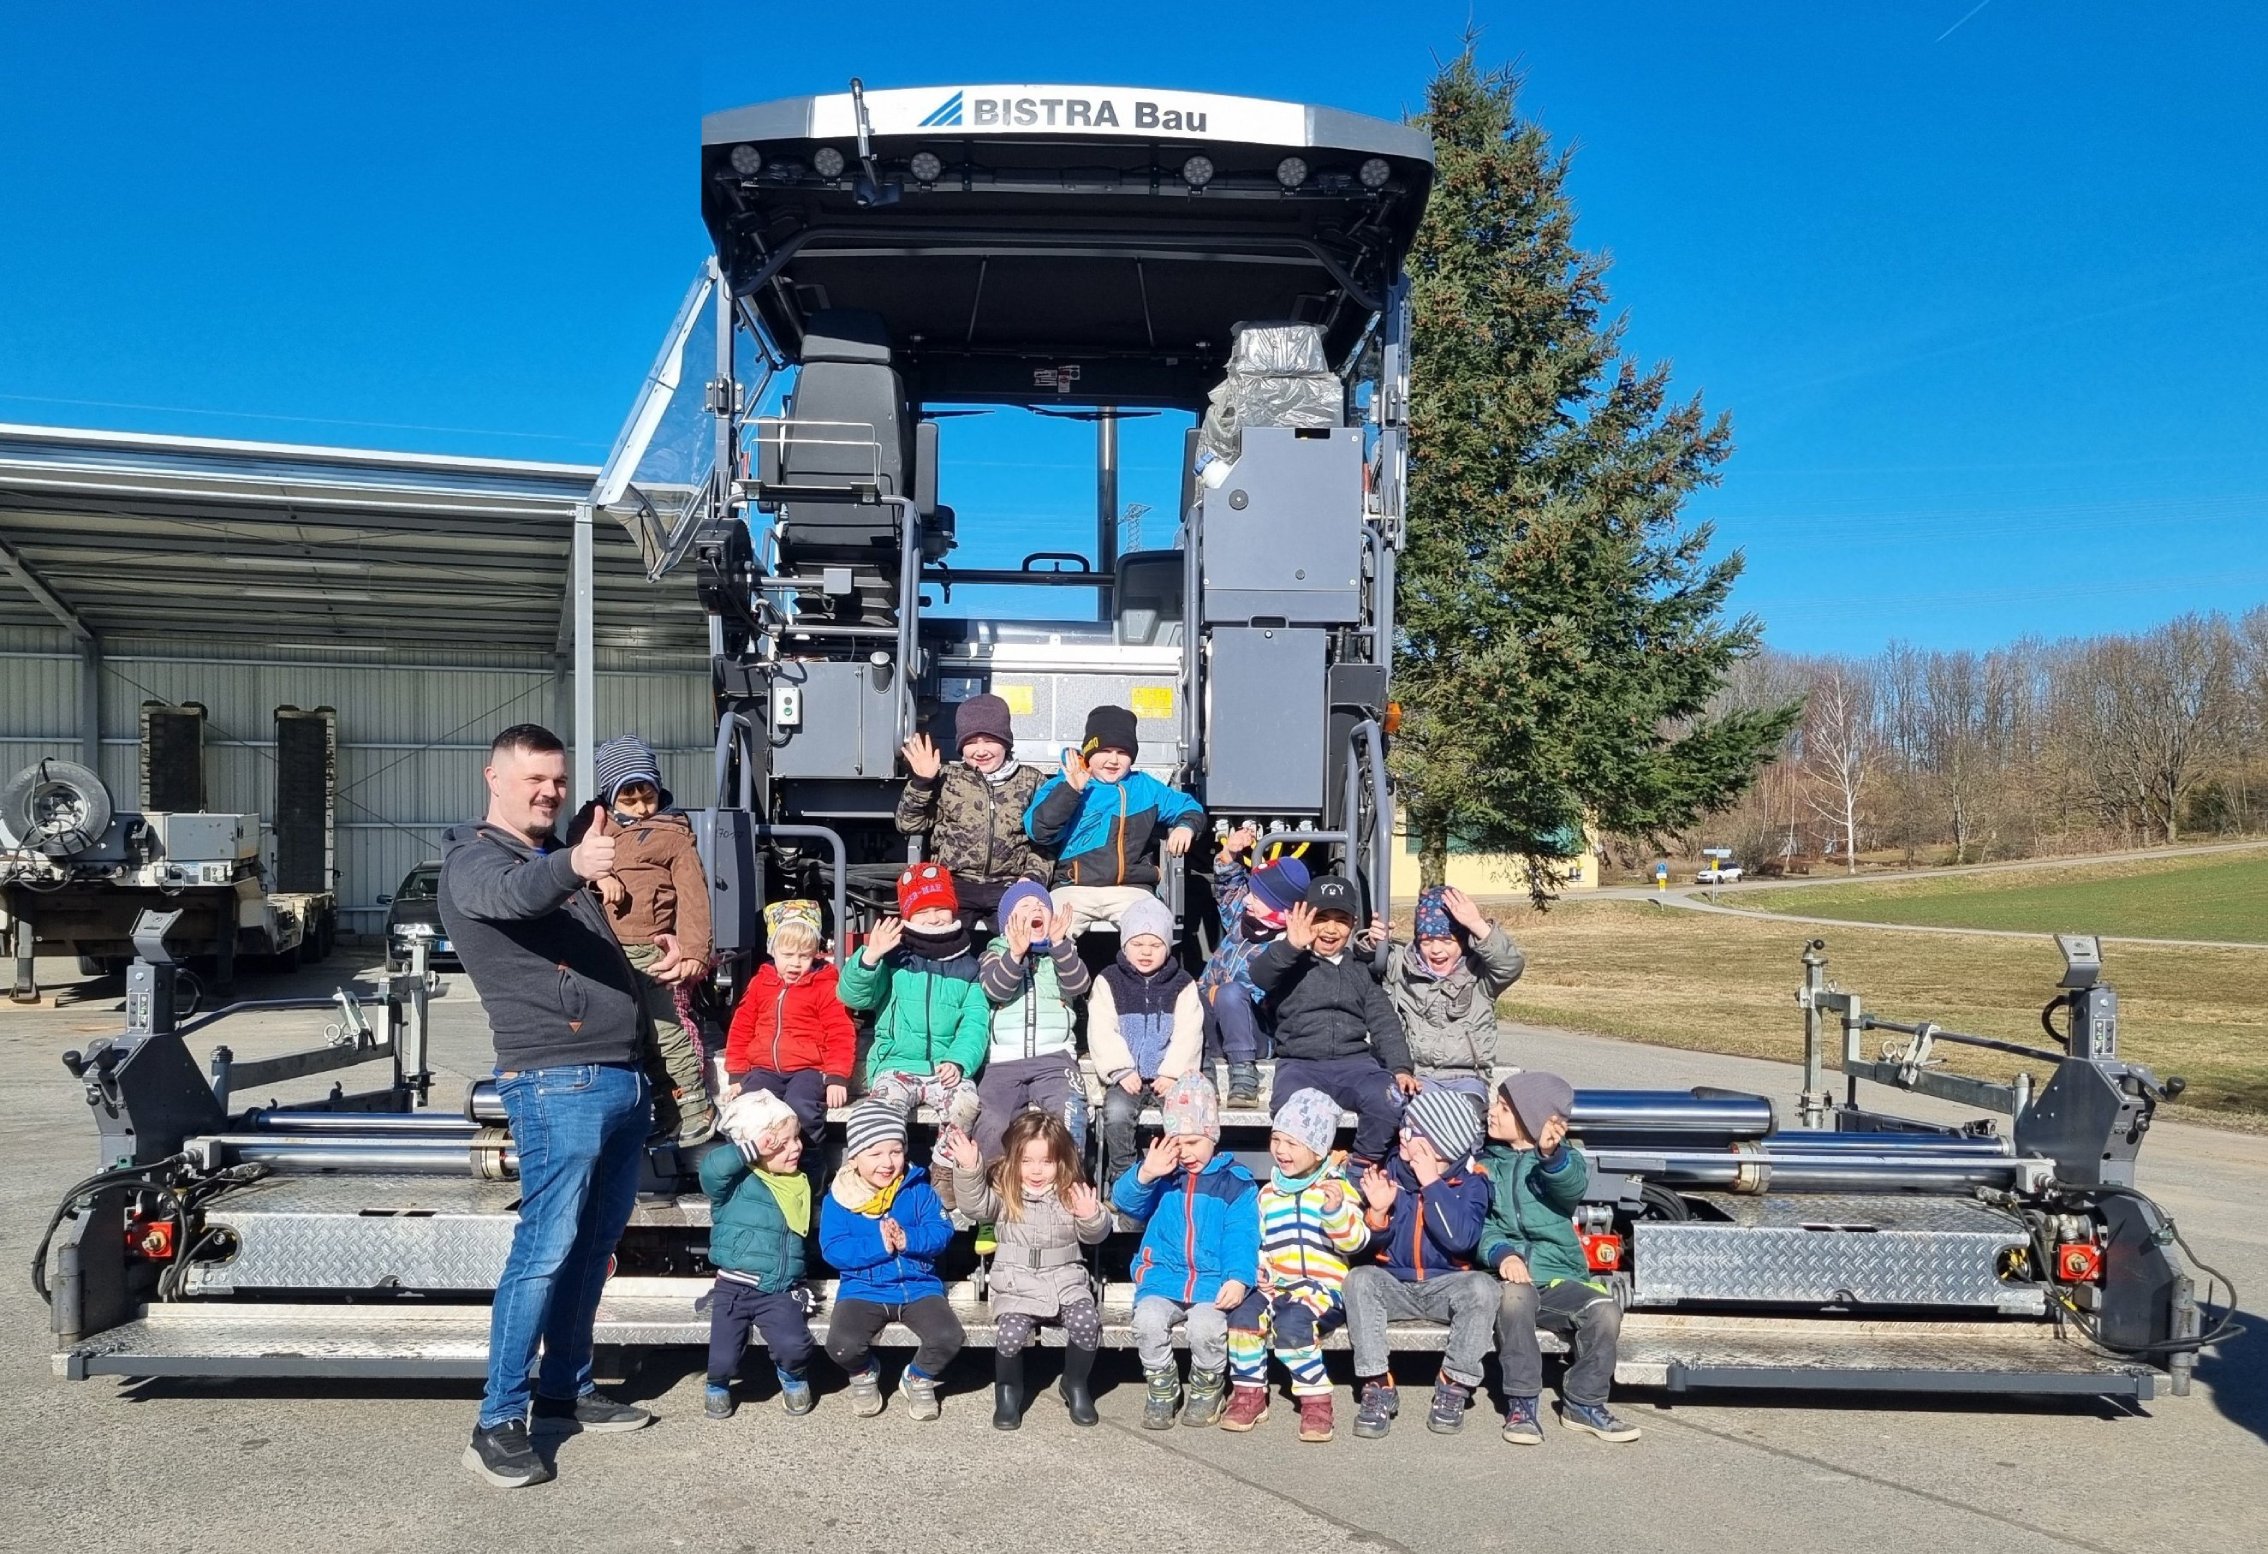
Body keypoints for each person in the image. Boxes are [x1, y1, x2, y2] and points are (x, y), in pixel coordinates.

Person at [439, 723, 658, 1490]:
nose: (549, 792)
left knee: (593, 1250)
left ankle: (564, 1389)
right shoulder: (476, 862)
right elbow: (512, 896)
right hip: (555, 1082)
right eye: (533, 778)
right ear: (493, 778)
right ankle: (497, 1420)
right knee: (543, 1252)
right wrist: (574, 863)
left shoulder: (545, 862)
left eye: (558, 780)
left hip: (620, 1080)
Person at [1480, 1071, 1641, 1445]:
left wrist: (1550, 1156)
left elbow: (1571, 1184)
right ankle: (1522, 1403)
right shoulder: (1486, 1166)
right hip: (1508, 1276)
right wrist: (1501, 1253)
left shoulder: (1560, 1161)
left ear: (1530, 1122)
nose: (1491, 1113)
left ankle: (1584, 1402)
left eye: (1503, 1108)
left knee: (1604, 1309)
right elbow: (1480, 1227)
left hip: (1557, 1276)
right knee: (1515, 1297)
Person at [1343, 1087, 1498, 1439]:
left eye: (1412, 1133)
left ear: (1435, 1148)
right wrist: (1377, 1215)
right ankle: (1377, 1382)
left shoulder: (1473, 1185)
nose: (1402, 1135)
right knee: (1359, 1280)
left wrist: (1431, 1184)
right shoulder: (1390, 1174)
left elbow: (1459, 1239)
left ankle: (1454, 1382)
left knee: (1484, 1288)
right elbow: (1366, 1250)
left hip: (1447, 1285)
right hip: (1395, 1283)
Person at [583, 734, 715, 1145]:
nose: (642, 809)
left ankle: (694, 1107)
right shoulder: (592, 827)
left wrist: (695, 951)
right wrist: (602, 876)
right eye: (630, 799)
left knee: (665, 1029)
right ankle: (664, 1109)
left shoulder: (672, 834)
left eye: (649, 797)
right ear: (610, 796)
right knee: (632, 1035)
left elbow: (695, 897)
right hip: (605, 948)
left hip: (648, 948)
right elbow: (571, 864)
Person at [1111, 1075, 1261, 1431]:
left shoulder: (1235, 1183)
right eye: (1178, 1142)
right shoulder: (1163, 1176)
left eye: (1194, 1142)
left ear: (1212, 1136)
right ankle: (1162, 1387)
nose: (1186, 1152)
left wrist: (1239, 1278)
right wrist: (1146, 1173)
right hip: (1164, 1277)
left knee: (1207, 1329)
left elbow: (1242, 1235)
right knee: (1147, 1322)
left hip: (1211, 1282)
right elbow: (1124, 1202)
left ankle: (1208, 1386)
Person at [943, 1112, 1111, 1430]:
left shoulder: (1071, 1192)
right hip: (1016, 1284)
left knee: (1087, 1323)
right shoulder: (1004, 1192)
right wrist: (968, 1169)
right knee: (1009, 1336)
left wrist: (1091, 1216)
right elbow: (975, 1206)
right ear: (1013, 1160)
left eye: (1046, 1162)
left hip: (1065, 1280)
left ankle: (1075, 1384)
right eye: (1027, 1161)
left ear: (1060, 1162)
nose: (1036, 1170)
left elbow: (1096, 1234)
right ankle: (1008, 1392)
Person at [835, 864, 989, 1210]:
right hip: (898, 1064)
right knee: (883, 1111)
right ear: (909, 915)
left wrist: (960, 1059)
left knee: (967, 1103)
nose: (934, 918)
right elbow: (854, 997)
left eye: (940, 909)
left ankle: (944, 1167)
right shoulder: (894, 957)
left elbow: (976, 1021)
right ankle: (882, 1176)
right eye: (924, 911)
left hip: (945, 1068)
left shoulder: (967, 964)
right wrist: (870, 957)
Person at [1222, 1088, 1371, 1442]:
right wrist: (1261, 1268)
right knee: (1242, 1317)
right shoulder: (1268, 1194)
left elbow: (1356, 1241)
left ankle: (1316, 1399)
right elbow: (1260, 1241)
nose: (1281, 1151)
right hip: (1279, 1285)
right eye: (1276, 1140)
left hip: (1323, 1290)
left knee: (1292, 1323)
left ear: (1318, 1149)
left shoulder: (1336, 1188)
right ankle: (1249, 1393)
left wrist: (1335, 1215)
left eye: (1293, 1143)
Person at [1248, 876, 1416, 1172]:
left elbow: (1384, 1022)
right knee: (1290, 1111)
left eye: (1340, 920)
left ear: (1352, 924)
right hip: (1301, 1066)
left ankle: (1361, 1164)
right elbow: (1260, 975)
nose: (1330, 928)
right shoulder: (1290, 962)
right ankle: (1303, 1174)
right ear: (1305, 920)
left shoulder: (1360, 972)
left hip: (1355, 1065)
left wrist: (1401, 1068)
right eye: (1321, 918)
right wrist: (1290, 945)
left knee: (1388, 1098)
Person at [819, 1099, 965, 1421]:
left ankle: (918, 1378)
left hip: (918, 1285)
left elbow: (942, 1230)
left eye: (896, 1151)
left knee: (948, 1337)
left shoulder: (919, 1190)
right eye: (875, 1154)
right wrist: (879, 1244)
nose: (887, 1162)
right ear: (855, 1158)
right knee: (841, 1345)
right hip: (863, 1289)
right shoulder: (840, 1198)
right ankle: (864, 1373)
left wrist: (908, 1240)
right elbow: (833, 1248)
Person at [1023, 704, 1204, 933]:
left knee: (1152, 931)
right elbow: (1039, 830)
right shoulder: (1062, 784)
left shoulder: (1145, 787)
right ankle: (1056, 969)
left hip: (1130, 888)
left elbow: (1190, 807)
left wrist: (1186, 826)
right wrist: (1070, 791)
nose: (1113, 760)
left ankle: (1137, 970)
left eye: (1122, 752)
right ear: (1089, 752)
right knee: (1046, 931)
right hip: (1073, 887)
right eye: (1105, 751)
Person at [699, 1089, 819, 1421]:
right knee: (722, 1356)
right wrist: (751, 1149)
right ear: (754, 1148)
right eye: (781, 1144)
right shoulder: (735, 1182)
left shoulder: (797, 1182)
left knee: (794, 1346)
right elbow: (711, 1169)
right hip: (733, 1287)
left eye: (796, 1139)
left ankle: (792, 1375)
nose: (795, 1147)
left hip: (779, 1287)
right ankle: (717, 1384)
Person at [894, 692, 1051, 928]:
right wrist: (922, 782)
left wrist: (1032, 878)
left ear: (1006, 742)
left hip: (1010, 883)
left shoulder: (1031, 781)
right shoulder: (948, 779)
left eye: (989, 740)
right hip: (955, 882)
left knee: (1025, 936)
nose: (981, 750)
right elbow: (908, 823)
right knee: (940, 935)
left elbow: (1045, 839)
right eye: (971, 742)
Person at [720, 900, 854, 1167]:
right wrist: (736, 1072)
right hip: (763, 1068)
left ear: (816, 953)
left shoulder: (825, 985)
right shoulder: (761, 983)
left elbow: (840, 1031)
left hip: (808, 1069)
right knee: (751, 1108)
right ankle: (747, 1168)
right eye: (788, 955)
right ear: (773, 951)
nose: (795, 963)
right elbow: (742, 1026)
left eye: (804, 956)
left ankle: (809, 1167)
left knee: (802, 1106)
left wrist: (837, 1077)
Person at [1088, 894, 1204, 1197]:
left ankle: (1179, 1178)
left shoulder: (1182, 983)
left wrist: (1173, 1073)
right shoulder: (1109, 981)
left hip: (1168, 1078)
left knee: (1186, 1118)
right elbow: (1101, 1028)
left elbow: (1189, 1032)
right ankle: (1124, 1178)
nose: (1146, 952)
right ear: (1125, 946)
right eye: (1138, 945)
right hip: (1127, 1078)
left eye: (1155, 945)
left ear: (1167, 948)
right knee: (1115, 1112)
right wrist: (1121, 1070)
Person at [971, 879, 1091, 1162]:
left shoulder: (1061, 954)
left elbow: (1079, 984)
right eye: (1024, 906)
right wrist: (1015, 954)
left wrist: (1060, 945)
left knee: (1070, 1113)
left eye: (1041, 906)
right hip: (1002, 1061)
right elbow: (995, 989)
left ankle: (1068, 1184)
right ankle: (995, 1187)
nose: (1034, 908)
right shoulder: (994, 954)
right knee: (991, 1123)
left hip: (1054, 1059)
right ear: (1007, 923)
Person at [1196, 829, 1309, 1106]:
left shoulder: (1287, 945)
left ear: (1280, 910)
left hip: (1255, 1035)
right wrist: (1229, 853)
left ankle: (1244, 1075)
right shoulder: (1243, 919)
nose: (1247, 900)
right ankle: (1203, 1065)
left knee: (1231, 993)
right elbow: (1229, 887)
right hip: (1217, 1028)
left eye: (1256, 898)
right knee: (1192, 991)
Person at [1381, 885, 1527, 1097]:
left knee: (1464, 1117)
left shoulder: (1480, 976)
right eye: (1427, 941)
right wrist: (1374, 942)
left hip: (1468, 1078)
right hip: (1416, 1076)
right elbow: (1368, 961)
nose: (1437, 950)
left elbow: (1510, 965)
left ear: (1463, 942)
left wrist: (1477, 925)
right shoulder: (1402, 966)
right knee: (1412, 1112)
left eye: (1447, 941)